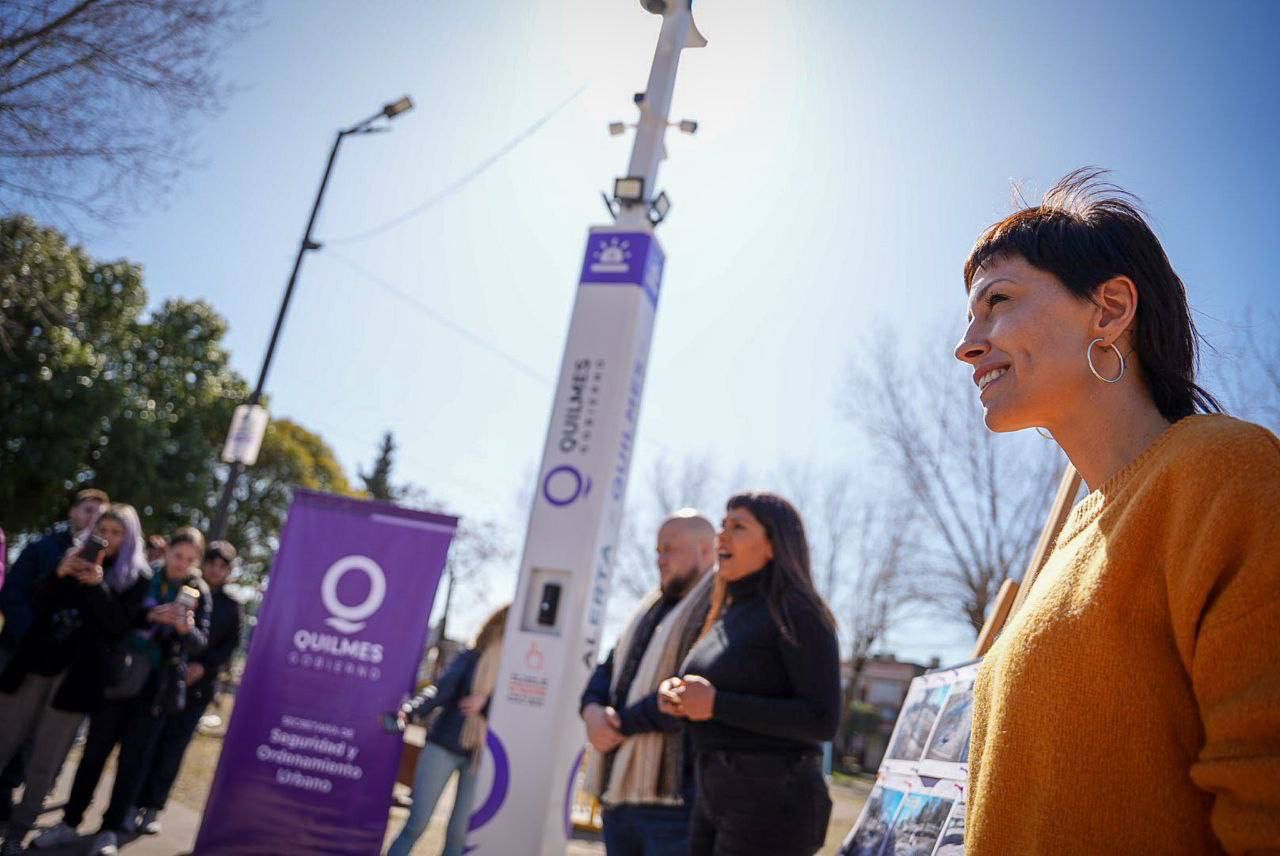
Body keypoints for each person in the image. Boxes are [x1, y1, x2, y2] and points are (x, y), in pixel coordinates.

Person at [954, 168, 1280, 854]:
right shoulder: (1067, 542)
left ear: (1109, 309)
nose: (967, 343)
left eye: (998, 301)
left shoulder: (1227, 473)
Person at [660, 493, 840, 856]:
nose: (721, 536)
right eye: (722, 526)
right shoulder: (727, 614)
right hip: (713, 793)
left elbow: (822, 720)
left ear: (774, 544)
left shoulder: (797, 611)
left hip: (772, 803)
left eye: (738, 527)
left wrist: (716, 704)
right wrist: (680, 698)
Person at [33, 527, 211, 856]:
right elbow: (116, 618)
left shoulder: (199, 592)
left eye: (189, 559)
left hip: (156, 688)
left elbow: (201, 642)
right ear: (168, 551)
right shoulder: (142, 577)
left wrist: (185, 629)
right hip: (117, 678)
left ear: (196, 561)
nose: (181, 564)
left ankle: (110, 830)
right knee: (94, 754)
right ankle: (69, 822)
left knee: (134, 762)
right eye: (177, 555)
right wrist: (148, 615)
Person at [0, 505, 150, 855]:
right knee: (4, 738)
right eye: (104, 529)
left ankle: (16, 834)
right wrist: (59, 573)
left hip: (78, 682)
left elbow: (118, 626)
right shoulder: (70, 556)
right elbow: (36, 603)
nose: (108, 538)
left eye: (116, 532)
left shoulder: (135, 577)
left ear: (128, 538)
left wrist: (99, 586)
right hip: (35, 665)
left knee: (45, 761)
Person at [580, 509, 717, 856]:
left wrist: (620, 724)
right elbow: (608, 667)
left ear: (705, 549)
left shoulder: (721, 607)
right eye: (658, 551)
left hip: (674, 800)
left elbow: (690, 691)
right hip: (620, 790)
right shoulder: (649, 608)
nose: (660, 559)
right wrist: (593, 709)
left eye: (669, 549)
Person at [134, 541, 244, 836]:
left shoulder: (232, 607)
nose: (215, 570)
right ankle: (134, 802)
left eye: (223, 566)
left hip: (198, 689)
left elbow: (226, 647)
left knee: (174, 747)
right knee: (149, 743)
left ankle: (154, 806)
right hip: (167, 678)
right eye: (211, 563)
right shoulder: (186, 588)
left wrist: (203, 668)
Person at [384, 605, 510, 856]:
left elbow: (516, 711)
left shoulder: (516, 671)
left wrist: (486, 705)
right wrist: (411, 710)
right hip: (444, 744)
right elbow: (441, 689)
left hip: (480, 754)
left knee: (459, 835)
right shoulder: (472, 657)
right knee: (416, 823)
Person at [0, 489, 109, 663]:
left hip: (52, 659)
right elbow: (12, 592)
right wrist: (31, 635)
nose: (94, 518)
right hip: (15, 648)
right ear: (72, 511)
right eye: (88, 510)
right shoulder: (42, 545)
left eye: (100, 515)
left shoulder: (99, 560)